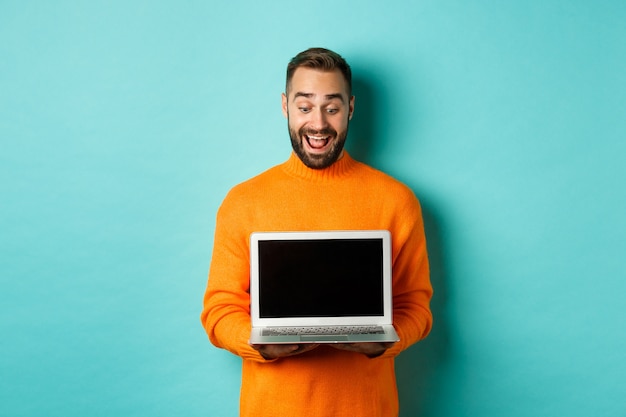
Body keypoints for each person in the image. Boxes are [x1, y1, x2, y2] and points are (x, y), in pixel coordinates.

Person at [200, 47, 433, 417]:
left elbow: (416, 307)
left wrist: (385, 342)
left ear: (351, 109)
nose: (319, 123)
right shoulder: (243, 201)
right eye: (305, 106)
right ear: (285, 106)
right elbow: (218, 309)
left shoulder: (396, 201)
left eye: (332, 107)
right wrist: (258, 343)